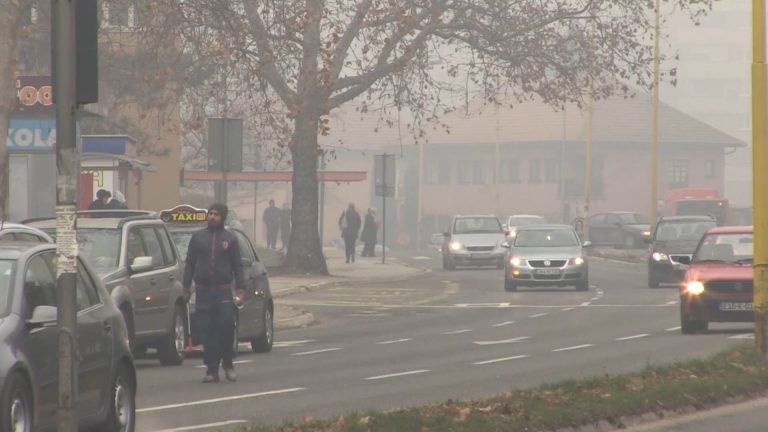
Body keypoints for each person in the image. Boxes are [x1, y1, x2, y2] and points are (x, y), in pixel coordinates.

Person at [183, 203, 246, 383]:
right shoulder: (198, 238)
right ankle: (211, 369)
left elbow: (237, 266)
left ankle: (228, 363)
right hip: (203, 292)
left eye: (216, 214)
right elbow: (189, 264)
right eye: (210, 213)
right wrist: (186, 287)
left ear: (222, 217)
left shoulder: (230, 239)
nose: (212, 217)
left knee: (226, 327)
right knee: (207, 331)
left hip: (223, 292)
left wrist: (241, 289)